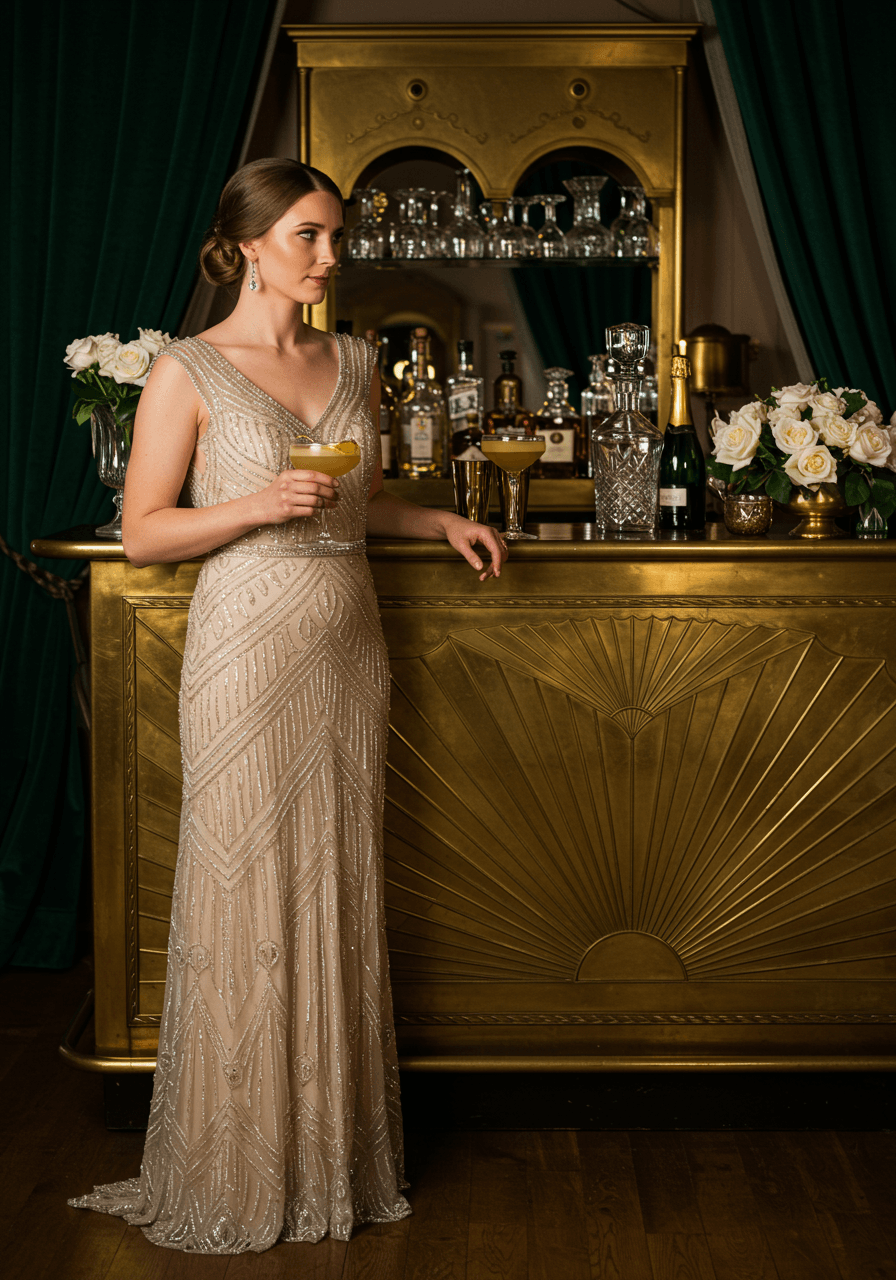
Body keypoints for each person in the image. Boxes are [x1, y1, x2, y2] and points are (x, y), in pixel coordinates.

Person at [69, 157, 507, 1254]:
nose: (329, 255)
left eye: (335, 235)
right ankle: (233, 1160)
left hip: (346, 644)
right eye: (308, 235)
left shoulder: (352, 356)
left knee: (333, 880)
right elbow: (143, 532)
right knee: (247, 880)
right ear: (246, 244)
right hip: (244, 646)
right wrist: (256, 502)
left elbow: (351, 499)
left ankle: (331, 1158)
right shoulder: (190, 367)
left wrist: (433, 524)